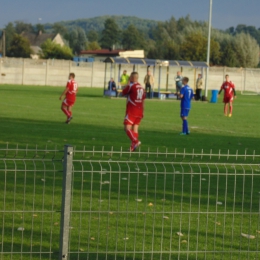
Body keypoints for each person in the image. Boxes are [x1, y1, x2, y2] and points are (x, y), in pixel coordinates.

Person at [122, 72, 146, 152]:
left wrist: (128, 84)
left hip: (132, 110)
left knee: (127, 128)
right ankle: (132, 147)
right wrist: (143, 111)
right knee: (135, 128)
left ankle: (135, 141)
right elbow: (143, 100)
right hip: (140, 110)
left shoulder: (131, 86)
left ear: (132, 78)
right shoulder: (142, 87)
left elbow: (123, 92)